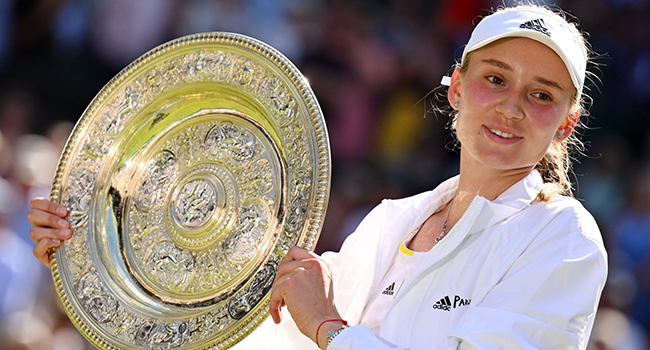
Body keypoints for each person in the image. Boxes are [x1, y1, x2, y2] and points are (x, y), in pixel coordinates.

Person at [28, 3, 607, 350]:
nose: (510, 108)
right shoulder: (388, 224)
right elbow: (254, 335)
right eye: (496, 79)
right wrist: (99, 251)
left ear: (565, 123)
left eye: (541, 95)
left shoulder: (564, 240)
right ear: (456, 87)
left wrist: (328, 328)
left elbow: (316, 331)